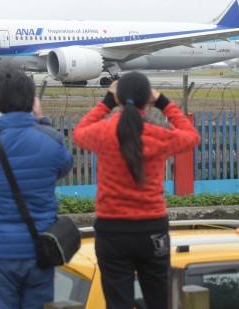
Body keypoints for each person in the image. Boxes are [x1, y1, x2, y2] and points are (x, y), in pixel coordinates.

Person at [72, 71, 200, 309]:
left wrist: (107, 101)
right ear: (147, 99)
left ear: (119, 99)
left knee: (117, 302)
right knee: (159, 300)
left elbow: (79, 133)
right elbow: (191, 137)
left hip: (112, 232)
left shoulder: (104, 133)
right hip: (152, 229)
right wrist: (163, 102)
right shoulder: (158, 135)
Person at [0, 66, 73, 309]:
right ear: (32, 100)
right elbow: (64, 167)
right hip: (39, 249)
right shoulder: (51, 138)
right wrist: (42, 121)